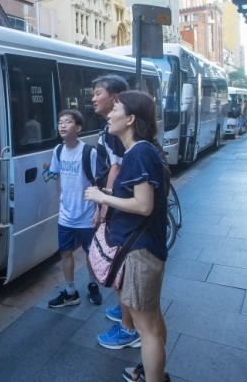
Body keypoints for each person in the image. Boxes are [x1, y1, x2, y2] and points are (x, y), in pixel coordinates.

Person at [84, 91, 170, 382]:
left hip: (139, 253)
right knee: (153, 321)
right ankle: (150, 371)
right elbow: (139, 196)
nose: (108, 114)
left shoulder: (139, 152)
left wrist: (101, 197)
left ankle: (152, 377)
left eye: (115, 109)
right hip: (145, 249)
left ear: (131, 118)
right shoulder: (142, 151)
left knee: (147, 330)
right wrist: (109, 193)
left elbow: (143, 205)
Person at [90, 74, 142, 348]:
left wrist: (103, 207)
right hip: (115, 203)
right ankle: (125, 311)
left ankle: (129, 328)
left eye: (98, 92)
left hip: (117, 207)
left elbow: (116, 168)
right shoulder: (112, 128)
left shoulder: (118, 131)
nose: (93, 98)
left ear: (115, 97)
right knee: (119, 265)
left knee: (118, 261)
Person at [47, 109, 100, 308]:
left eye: (67, 122)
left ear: (78, 128)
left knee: (90, 253)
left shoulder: (88, 152)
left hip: (86, 215)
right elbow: (58, 176)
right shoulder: (58, 150)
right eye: (60, 122)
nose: (62, 125)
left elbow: (97, 183)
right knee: (65, 252)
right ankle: (70, 292)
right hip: (66, 216)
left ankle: (92, 284)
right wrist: (61, 200)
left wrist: (98, 211)